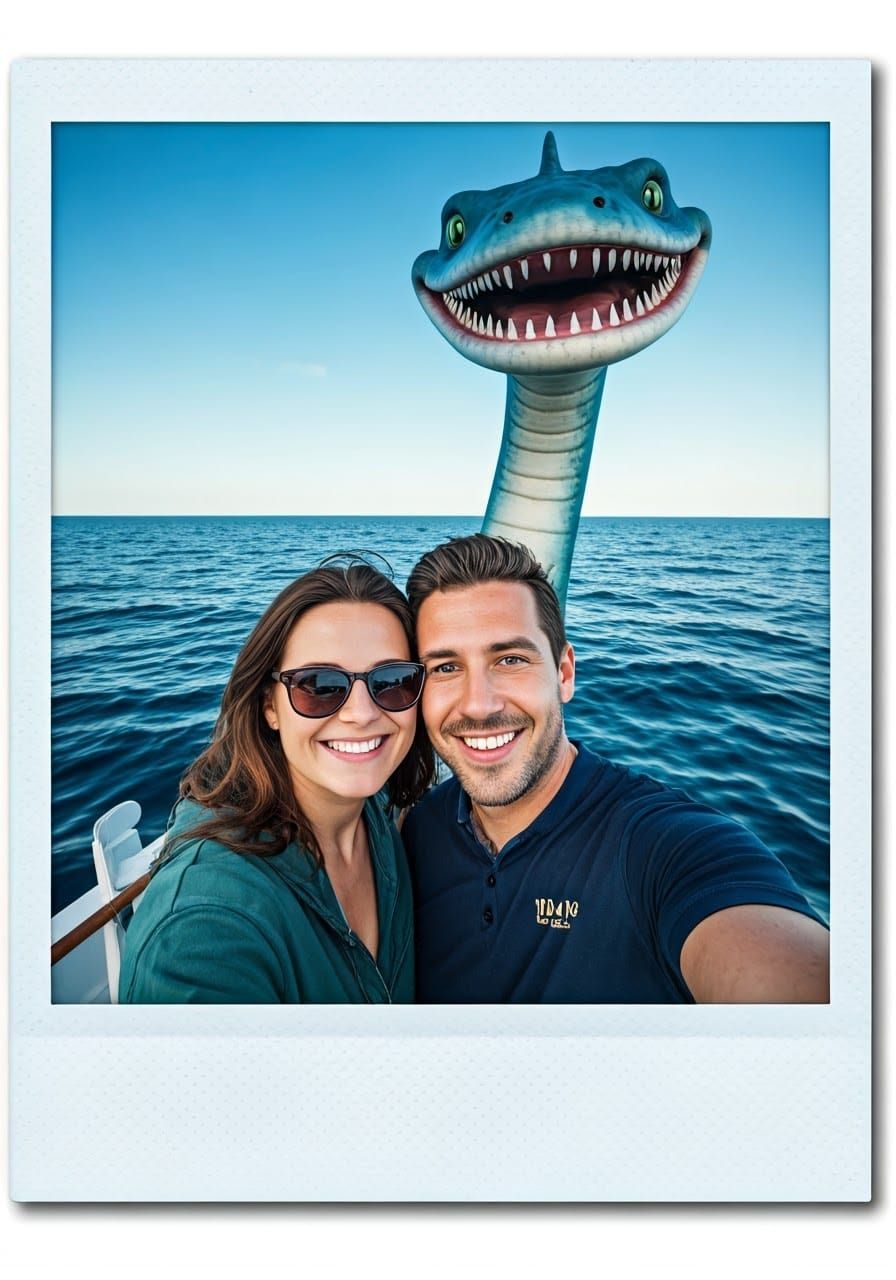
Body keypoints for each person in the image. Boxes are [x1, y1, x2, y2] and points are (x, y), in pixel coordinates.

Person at [402, 534, 829, 1004]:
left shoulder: (663, 848)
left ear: (564, 674)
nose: (479, 705)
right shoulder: (416, 832)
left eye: (510, 659)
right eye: (444, 668)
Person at [119, 560, 435, 1003]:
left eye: (393, 681)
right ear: (270, 706)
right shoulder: (202, 932)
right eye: (320, 686)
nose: (362, 713)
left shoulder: (378, 812)